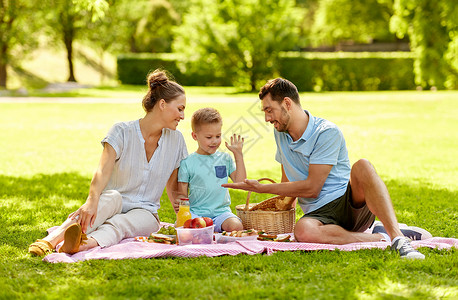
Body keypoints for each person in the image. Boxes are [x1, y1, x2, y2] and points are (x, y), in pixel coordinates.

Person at [223, 78, 432, 259]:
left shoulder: (326, 132)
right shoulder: (280, 132)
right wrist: (271, 210)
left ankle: (397, 238)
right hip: (318, 215)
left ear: (287, 103)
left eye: (270, 110)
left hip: (347, 205)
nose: (267, 118)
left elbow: (312, 188)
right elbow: (287, 181)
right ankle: (379, 236)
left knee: (363, 166)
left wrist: (263, 188)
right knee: (302, 230)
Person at [28, 69, 188, 256]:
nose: (183, 116)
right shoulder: (121, 131)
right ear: (162, 104)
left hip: (146, 213)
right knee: (109, 199)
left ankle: (81, 245)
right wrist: (91, 201)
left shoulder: (177, 141)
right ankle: (50, 240)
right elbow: (102, 170)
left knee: (121, 224)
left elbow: (174, 185)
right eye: (180, 108)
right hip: (114, 200)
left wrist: (183, 218)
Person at [176, 108, 246, 233]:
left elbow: (241, 183)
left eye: (218, 136)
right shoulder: (187, 162)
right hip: (196, 214)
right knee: (185, 228)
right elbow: (182, 194)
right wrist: (180, 205)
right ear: (194, 136)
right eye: (209, 137)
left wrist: (238, 155)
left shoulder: (225, 159)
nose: (214, 141)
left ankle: (211, 230)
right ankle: (209, 231)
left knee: (236, 227)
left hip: (221, 213)